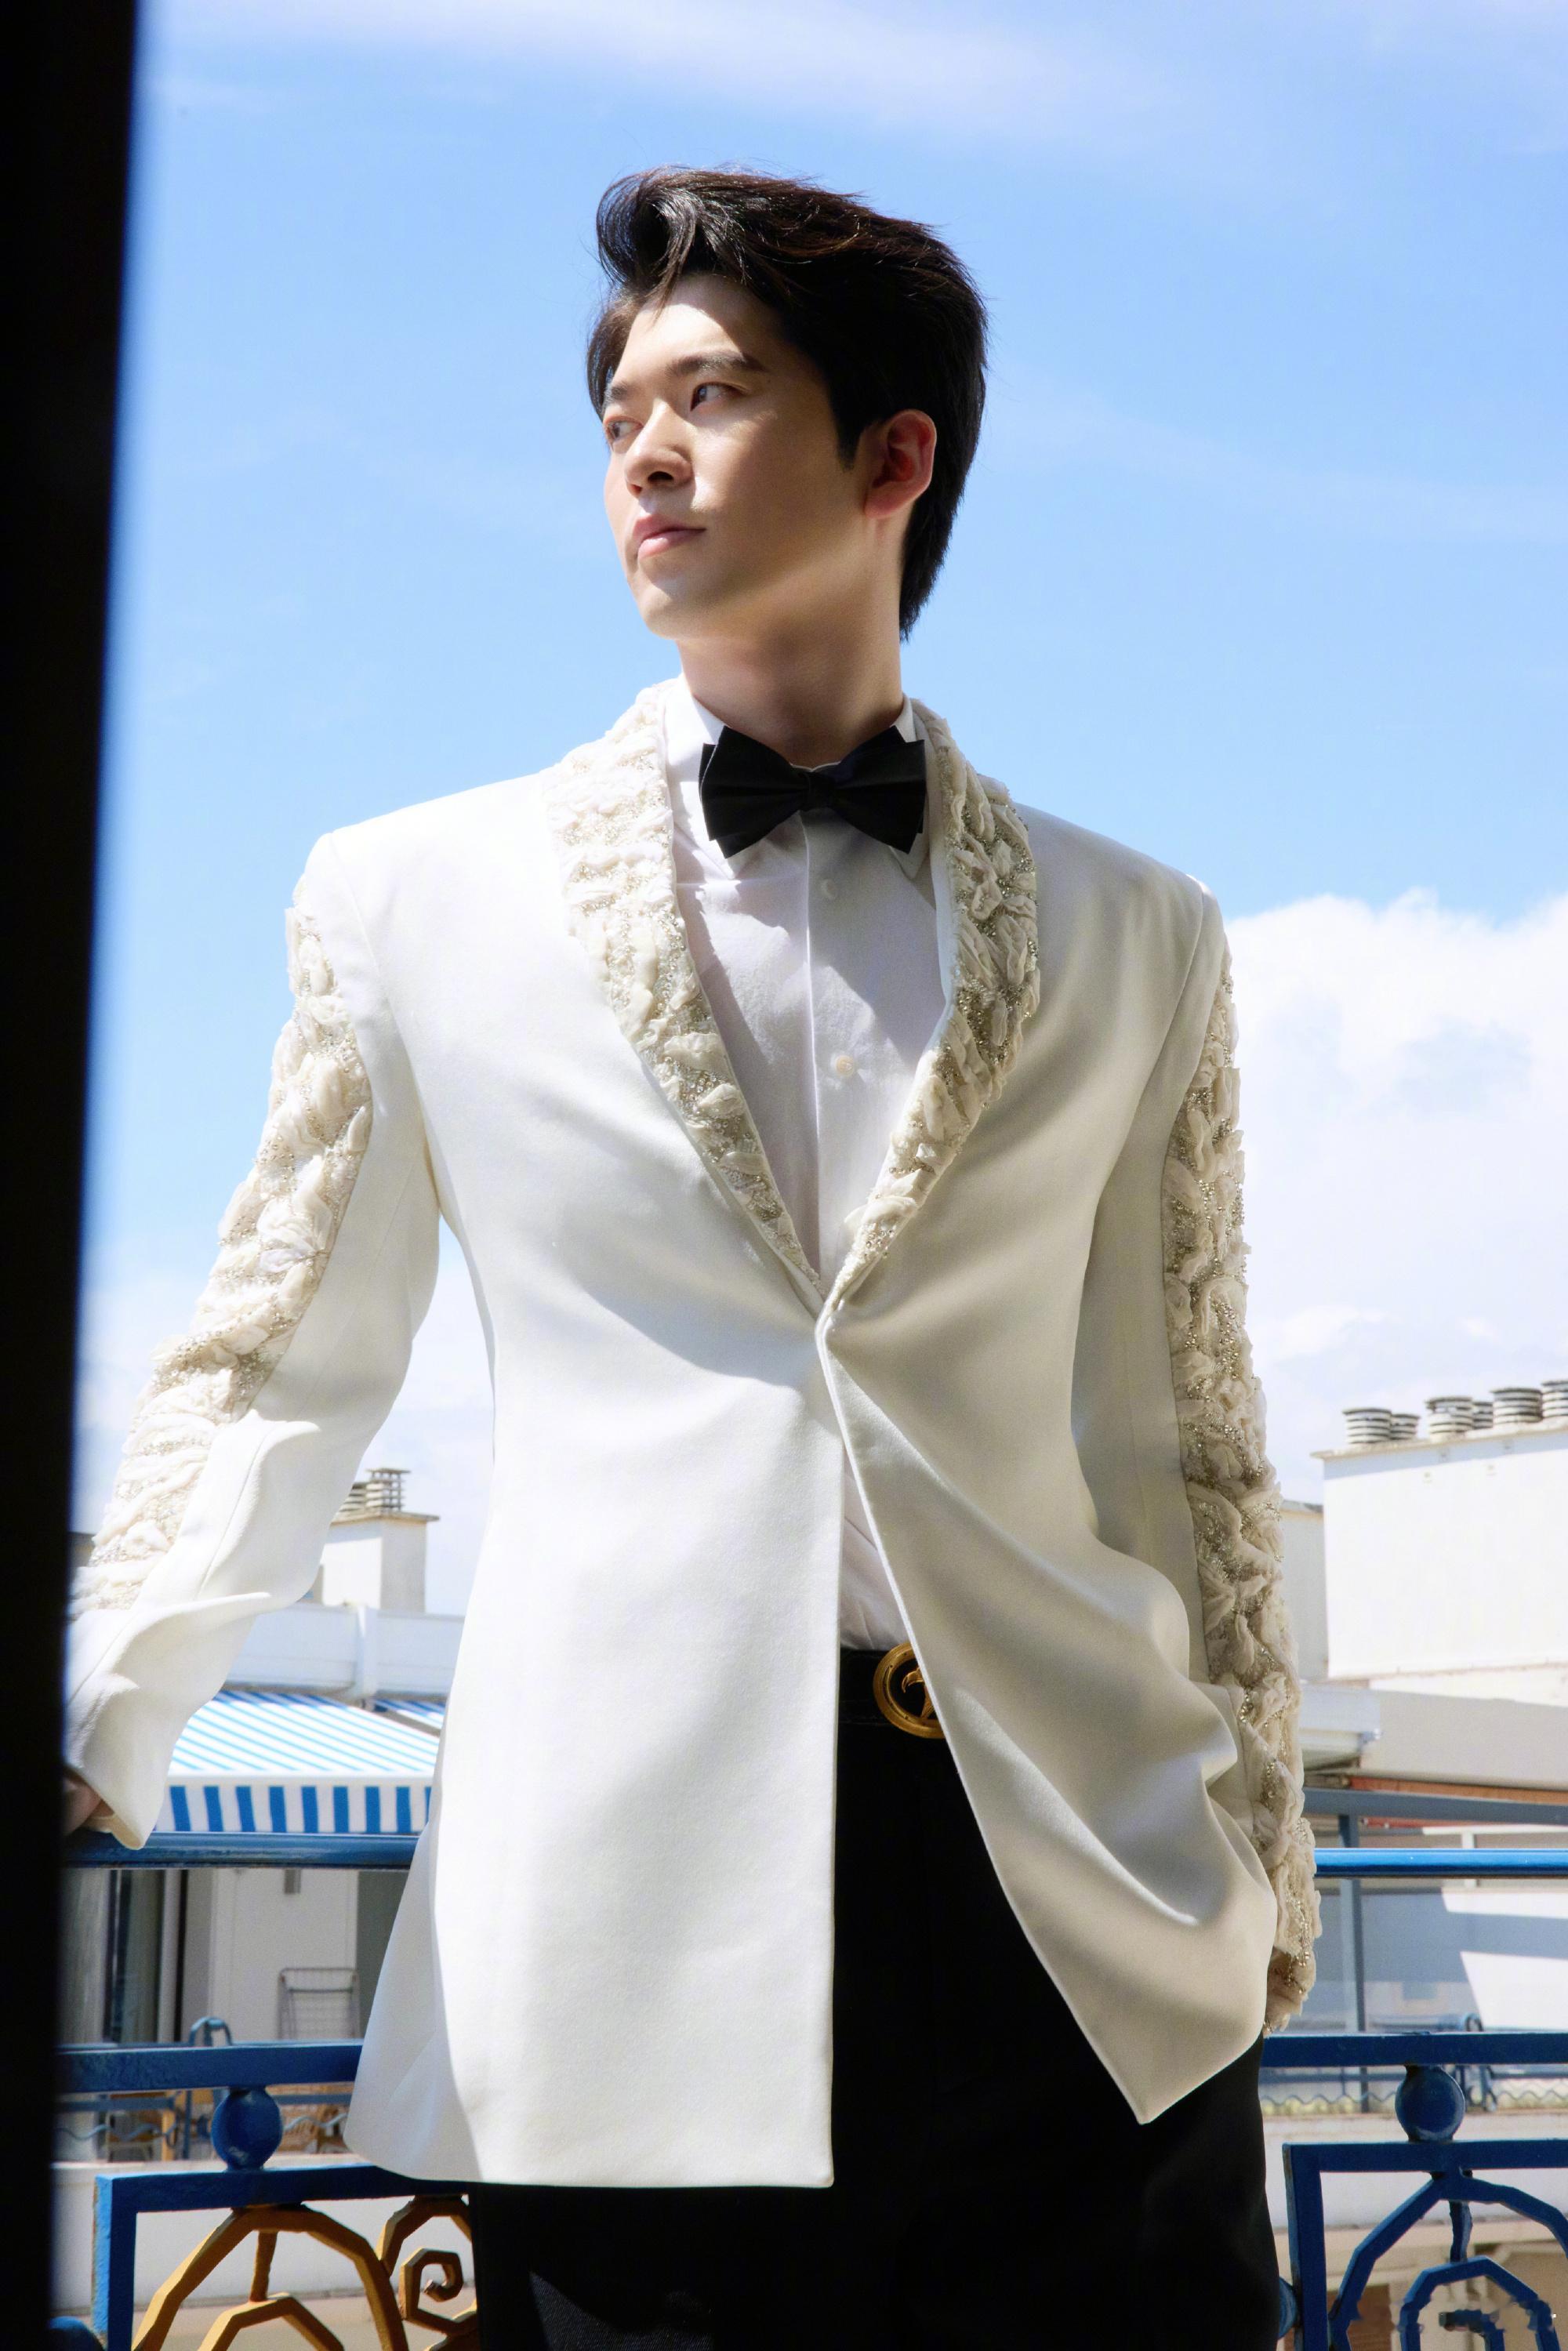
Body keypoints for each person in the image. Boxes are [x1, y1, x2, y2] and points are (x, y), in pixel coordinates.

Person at [64, 165, 1318, 2347]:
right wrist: (107, 1708)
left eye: (714, 396)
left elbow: (1181, 1432)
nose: (645, 452)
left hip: (1084, 1927)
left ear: (895, 458)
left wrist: (1260, 1874)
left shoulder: (1142, 930)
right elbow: (281, 1349)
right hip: (625, 1940)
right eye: (620, 412)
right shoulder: (408, 899)